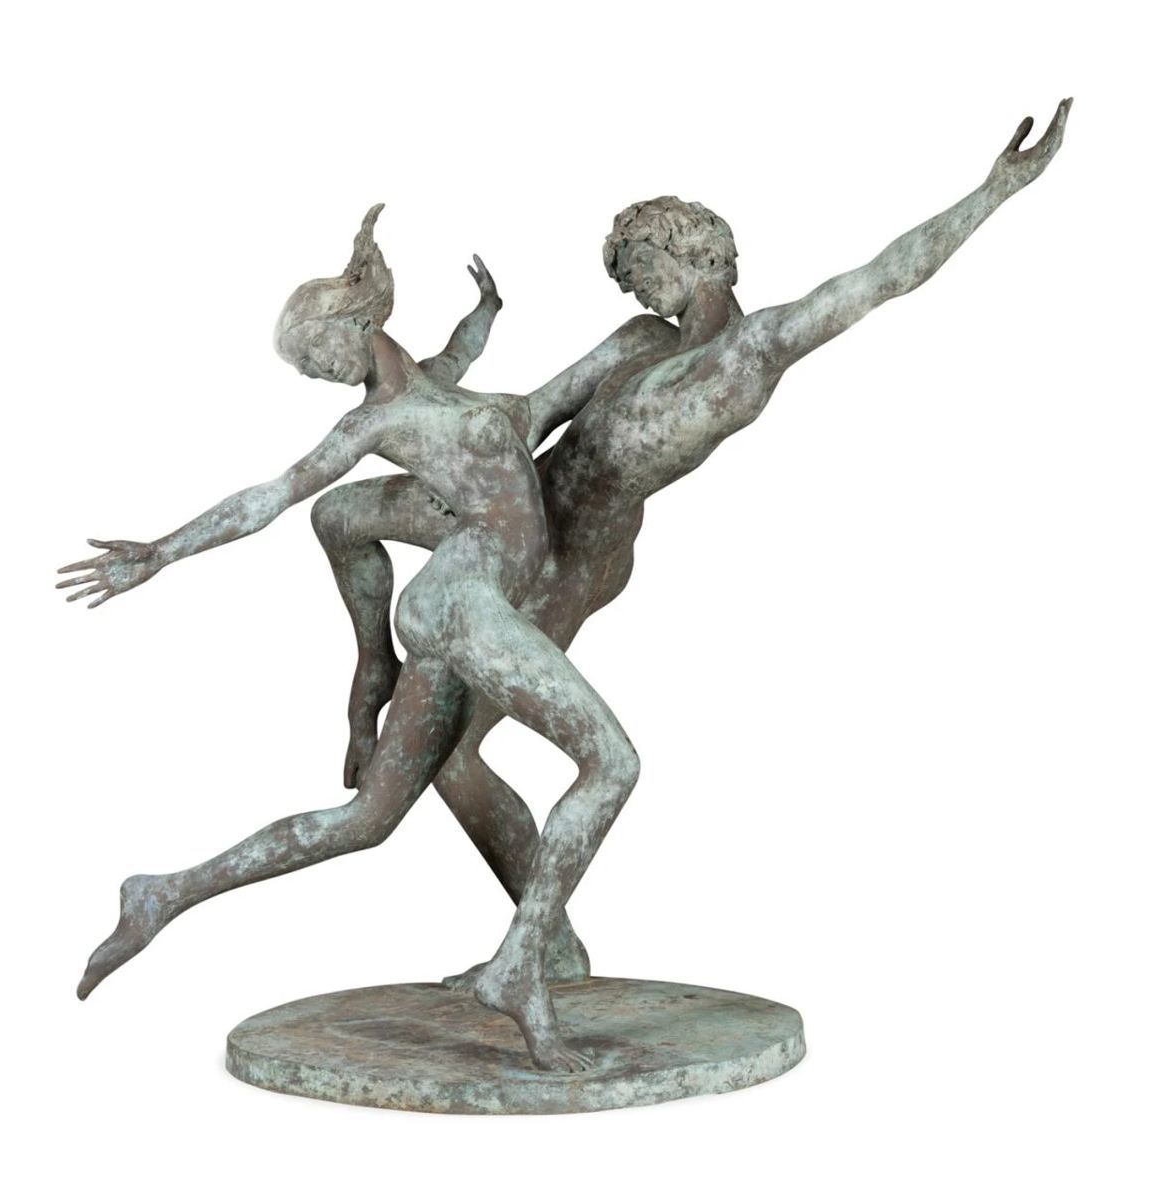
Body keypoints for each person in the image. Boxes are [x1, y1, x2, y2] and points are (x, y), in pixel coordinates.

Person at [310, 101, 1074, 987]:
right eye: (628, 275)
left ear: (694, 252)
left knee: (452, 755)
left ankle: (541, 944)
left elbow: (877, 279)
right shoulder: (641, 339)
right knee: (337, 515)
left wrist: (992, 191)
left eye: (639, 267)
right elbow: (534, 411)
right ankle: (374, 673)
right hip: (511, 504)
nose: (635, 289)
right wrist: (423, 403)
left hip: (568, 559)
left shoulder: (750, 355)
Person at [60, 205, 640, 1073]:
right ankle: (521, 969)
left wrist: (485, 314)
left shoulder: (433, 382)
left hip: (461, 608)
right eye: (308, 365)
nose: (318, 373)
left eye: (317, 354)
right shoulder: (375, 420)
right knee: (612, 762)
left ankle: (162, 894)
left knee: (364, 820)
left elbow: (462, 360)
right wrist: (164, 551)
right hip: (461, 600)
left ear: (355, 322)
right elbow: (273, 495)